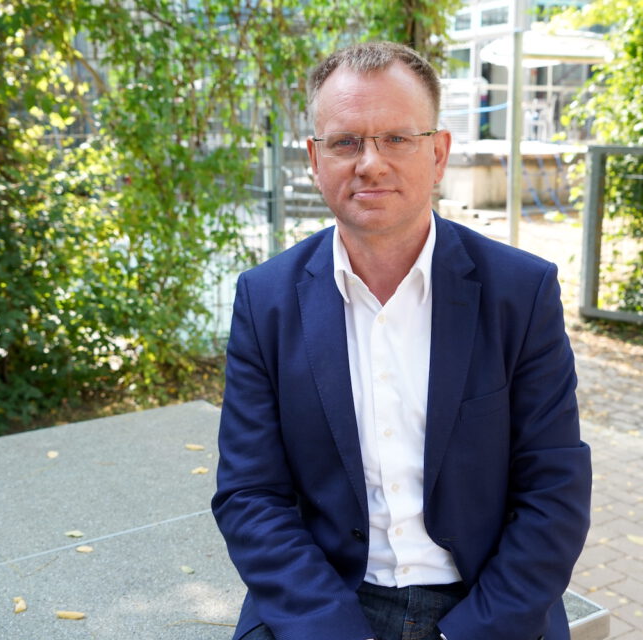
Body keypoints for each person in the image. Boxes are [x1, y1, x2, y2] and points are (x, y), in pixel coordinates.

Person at [211, 41, 591, 640]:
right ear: (314, 159)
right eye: (345, 142)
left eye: (396, 138)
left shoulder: (521, 293)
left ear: (438, 154)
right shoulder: (266, 300)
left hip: (485, 607)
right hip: (326, 602)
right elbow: (250, 495)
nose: (370, 163)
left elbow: (554, 490)